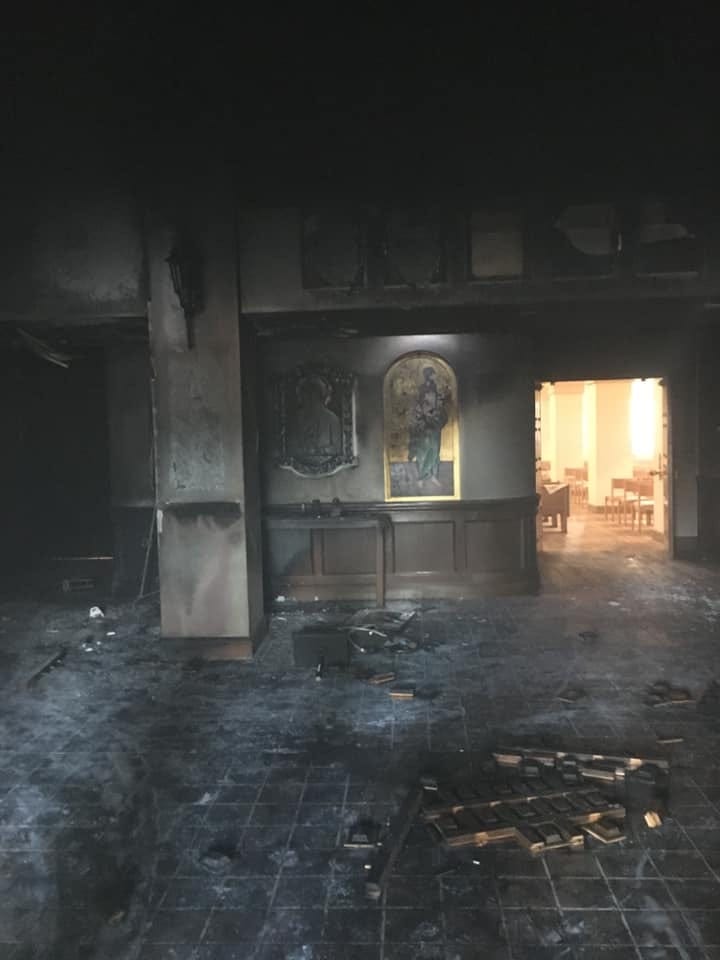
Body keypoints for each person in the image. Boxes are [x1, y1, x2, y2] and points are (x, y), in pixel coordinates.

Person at [407, 367, 448, 486]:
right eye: (433, 374)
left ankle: (433, 476)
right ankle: (421, 477)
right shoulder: (423, 390)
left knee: (435, 452)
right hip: (425, 426)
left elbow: (439, 409)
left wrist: (437, 411)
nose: (435, 376)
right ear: (429, 375)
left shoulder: (435, 389)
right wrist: (425, 415)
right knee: (422, 452)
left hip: (435, 425)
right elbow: (421, 407)